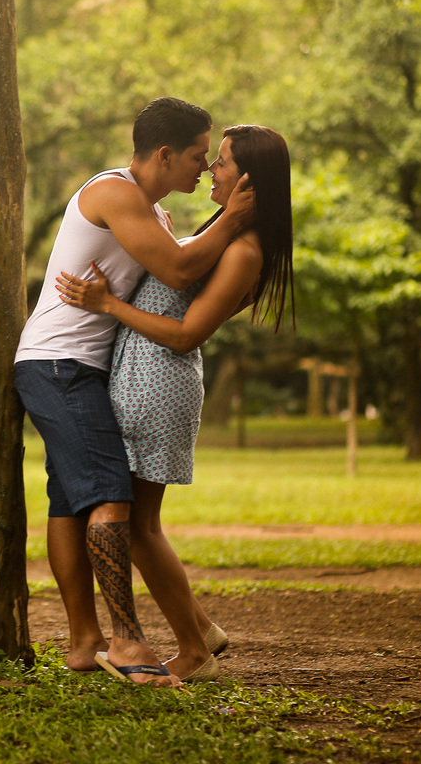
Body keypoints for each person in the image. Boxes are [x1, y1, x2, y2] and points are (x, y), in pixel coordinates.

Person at [14, 97, 255, 686]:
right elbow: (177, 272)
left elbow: (181, 271)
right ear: (165, 154)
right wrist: (235, 216)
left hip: (87, 368)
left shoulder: (158, 217)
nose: (203, 168)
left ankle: (84, 642)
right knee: (110, 495)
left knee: (71, 501)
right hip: (58, 362)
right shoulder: (114, 193)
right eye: (199, 156)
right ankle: (124, 642)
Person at [56, 124, 295, 682]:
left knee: (140, 526)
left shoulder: (244, 250)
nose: (213, 169)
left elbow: (187, 334)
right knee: (137, 522)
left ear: (250, 182)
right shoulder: (225, 234)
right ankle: (202, 630)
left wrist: (108, 305)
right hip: (140, 377)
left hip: (159, 386)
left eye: (225, 163)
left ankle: (193, 648)